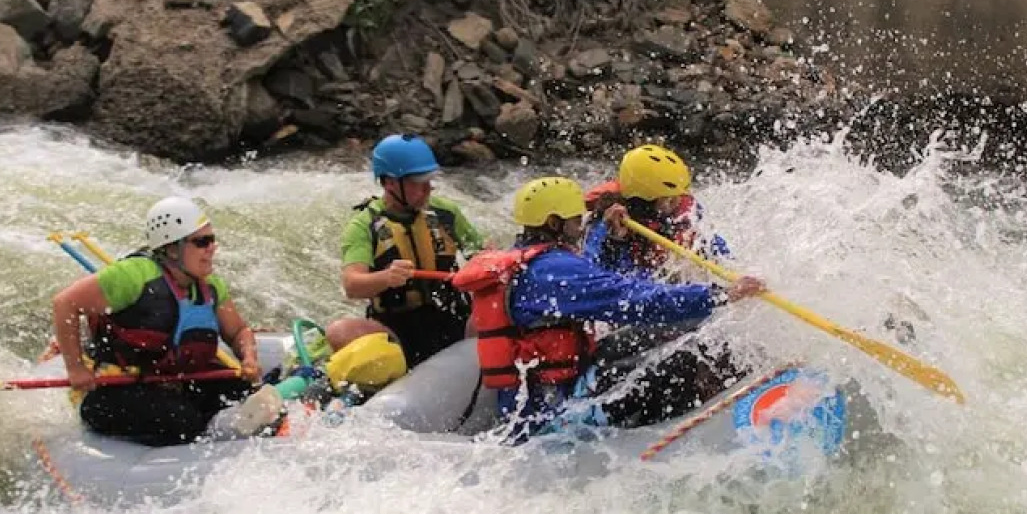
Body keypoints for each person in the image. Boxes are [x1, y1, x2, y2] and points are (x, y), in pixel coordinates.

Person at [453, 176, 765, 442]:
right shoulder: (552, 270)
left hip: (541, 391)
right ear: (553, 223)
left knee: (661, 334)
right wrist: (719, 295)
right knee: (681, 360)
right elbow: (635, 301)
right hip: (552, 415)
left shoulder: (529, 259)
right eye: (576, 221)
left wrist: (606, 234)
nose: (580, 227)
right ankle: (688, 432)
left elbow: (589, 272)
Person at [51, 196, 281, 446]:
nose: (211, 248)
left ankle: (225, 430)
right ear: (172, 249)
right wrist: (75, 368)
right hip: (113, 389)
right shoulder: (132, 276)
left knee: (241, 392)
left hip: (176, 381)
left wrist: (248, 357)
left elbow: (238, 331)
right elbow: (65, 303)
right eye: (201, 242)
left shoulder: (210, 286)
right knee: (182, 421)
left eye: (212, 240)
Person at [327, 133, 486, 368]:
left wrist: (488, 261)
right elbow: (352, 284)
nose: (427, 189)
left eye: (429, 181)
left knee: (496, 307)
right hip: (397, 329)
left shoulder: (446, 213)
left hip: (452, 318)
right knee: (339, 331)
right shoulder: (364, 225)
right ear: (390, 183)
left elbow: (481, 256)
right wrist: (385, 278)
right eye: (418, 183)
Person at [584, 143, 730, 278]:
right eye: (669, 199)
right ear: (643, 202)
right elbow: (608, 280)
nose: (677, 203)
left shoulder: (683, 211)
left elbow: (713, 245)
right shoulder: (607, 226)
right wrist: (616, 242)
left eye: (679, 196)